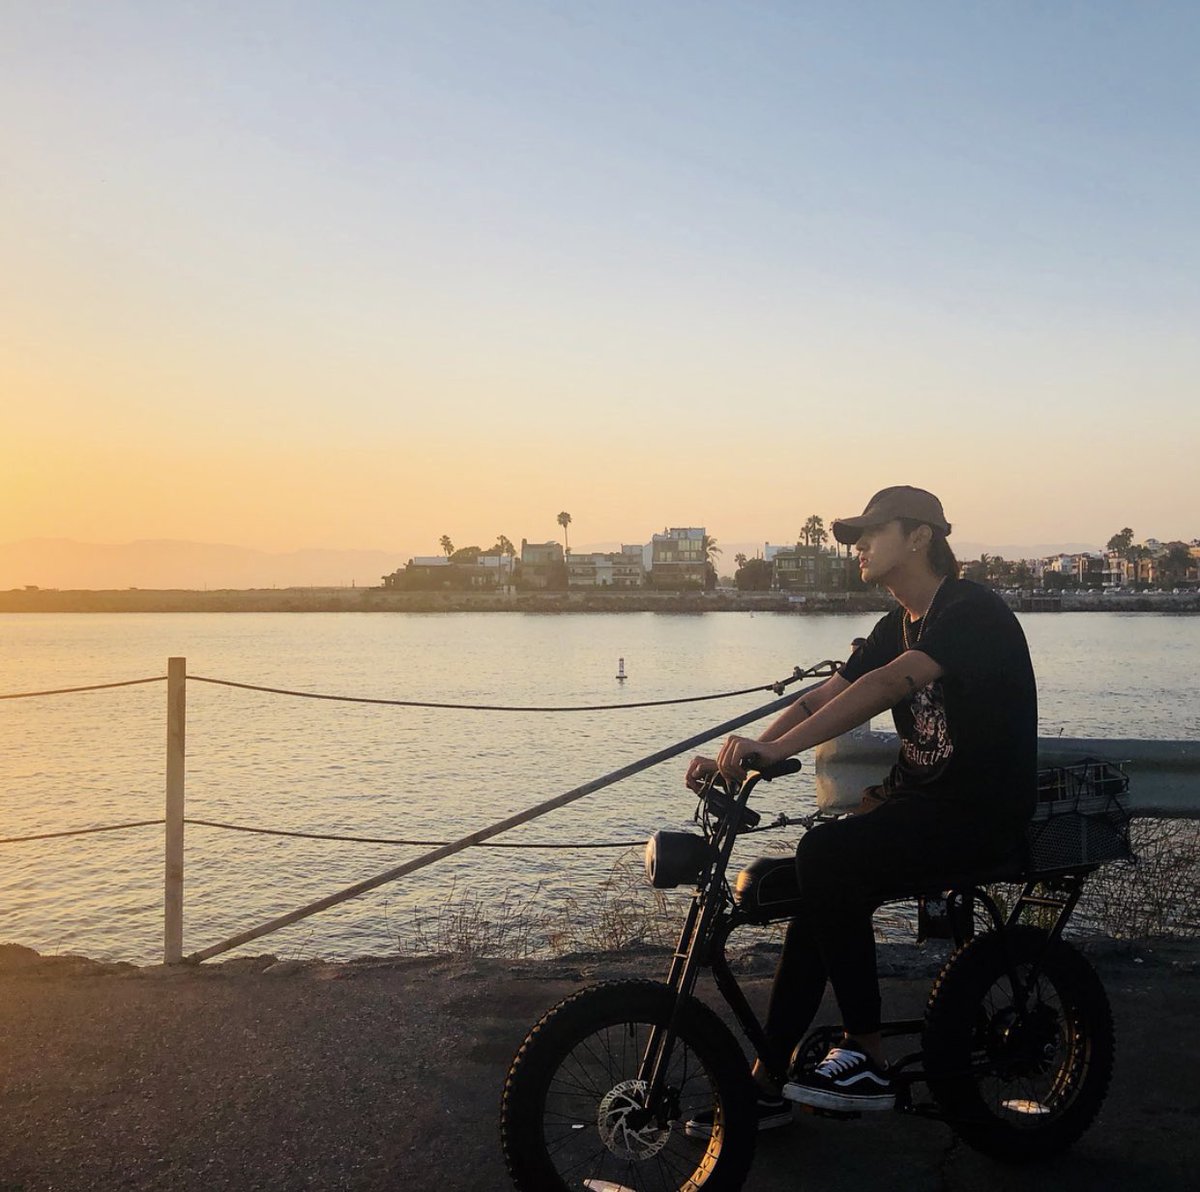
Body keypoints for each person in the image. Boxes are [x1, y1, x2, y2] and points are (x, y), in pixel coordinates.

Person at [684, 485, 1037, 1131]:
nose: (859, 548)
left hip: (977, 813)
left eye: (872, 534)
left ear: (921, 535)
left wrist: (776, 750)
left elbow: (885, 685)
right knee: (808, 885)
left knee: (826, 855)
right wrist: (742, 753)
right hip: (917, 805)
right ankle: (768, 1084)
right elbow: (827, 696)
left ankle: (866, 1055)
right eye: (853, 538)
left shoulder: (970, 609)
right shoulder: (893, 624)